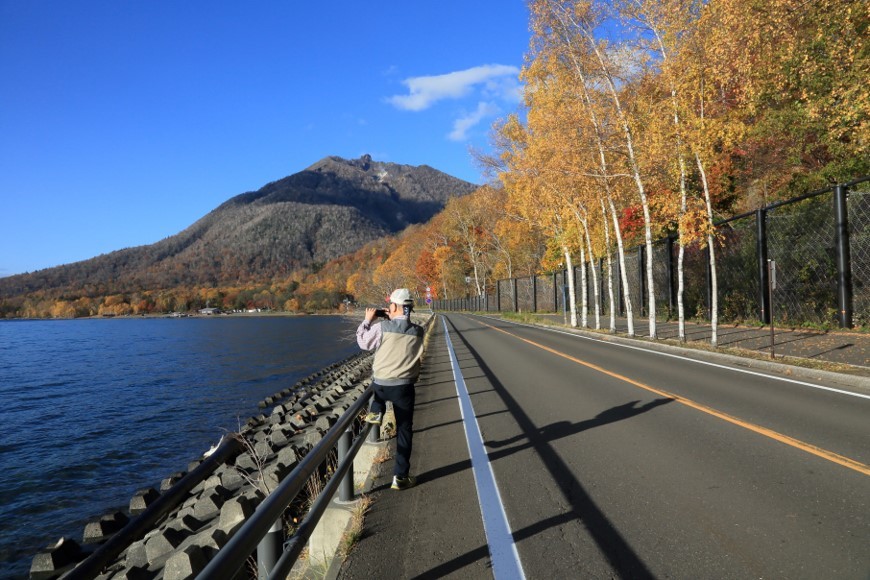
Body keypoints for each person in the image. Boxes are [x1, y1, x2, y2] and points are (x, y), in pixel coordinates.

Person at [356, 288, 425, 490]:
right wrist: (394, 316)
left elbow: (363, 342)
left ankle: (376, 412)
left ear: (394, 306)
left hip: (381, 385)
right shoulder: (418, 331)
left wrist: (368, 320)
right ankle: (400, 477)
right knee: (404, 430)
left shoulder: (382, 327)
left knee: (378, 388)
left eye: (390, 305)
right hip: (404, 387)